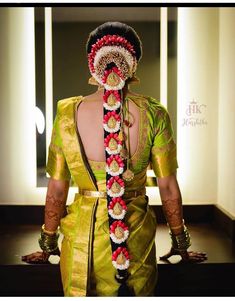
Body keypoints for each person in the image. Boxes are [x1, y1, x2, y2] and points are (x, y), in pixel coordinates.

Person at [22, 21, 207, 296]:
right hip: (135, 240)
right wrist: (181, 244)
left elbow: (57, 190)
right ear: (133, 65)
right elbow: (168, 186)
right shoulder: (154, 113)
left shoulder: (67, 113)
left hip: (81, 243)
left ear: (92, 65)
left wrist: (48, 245)